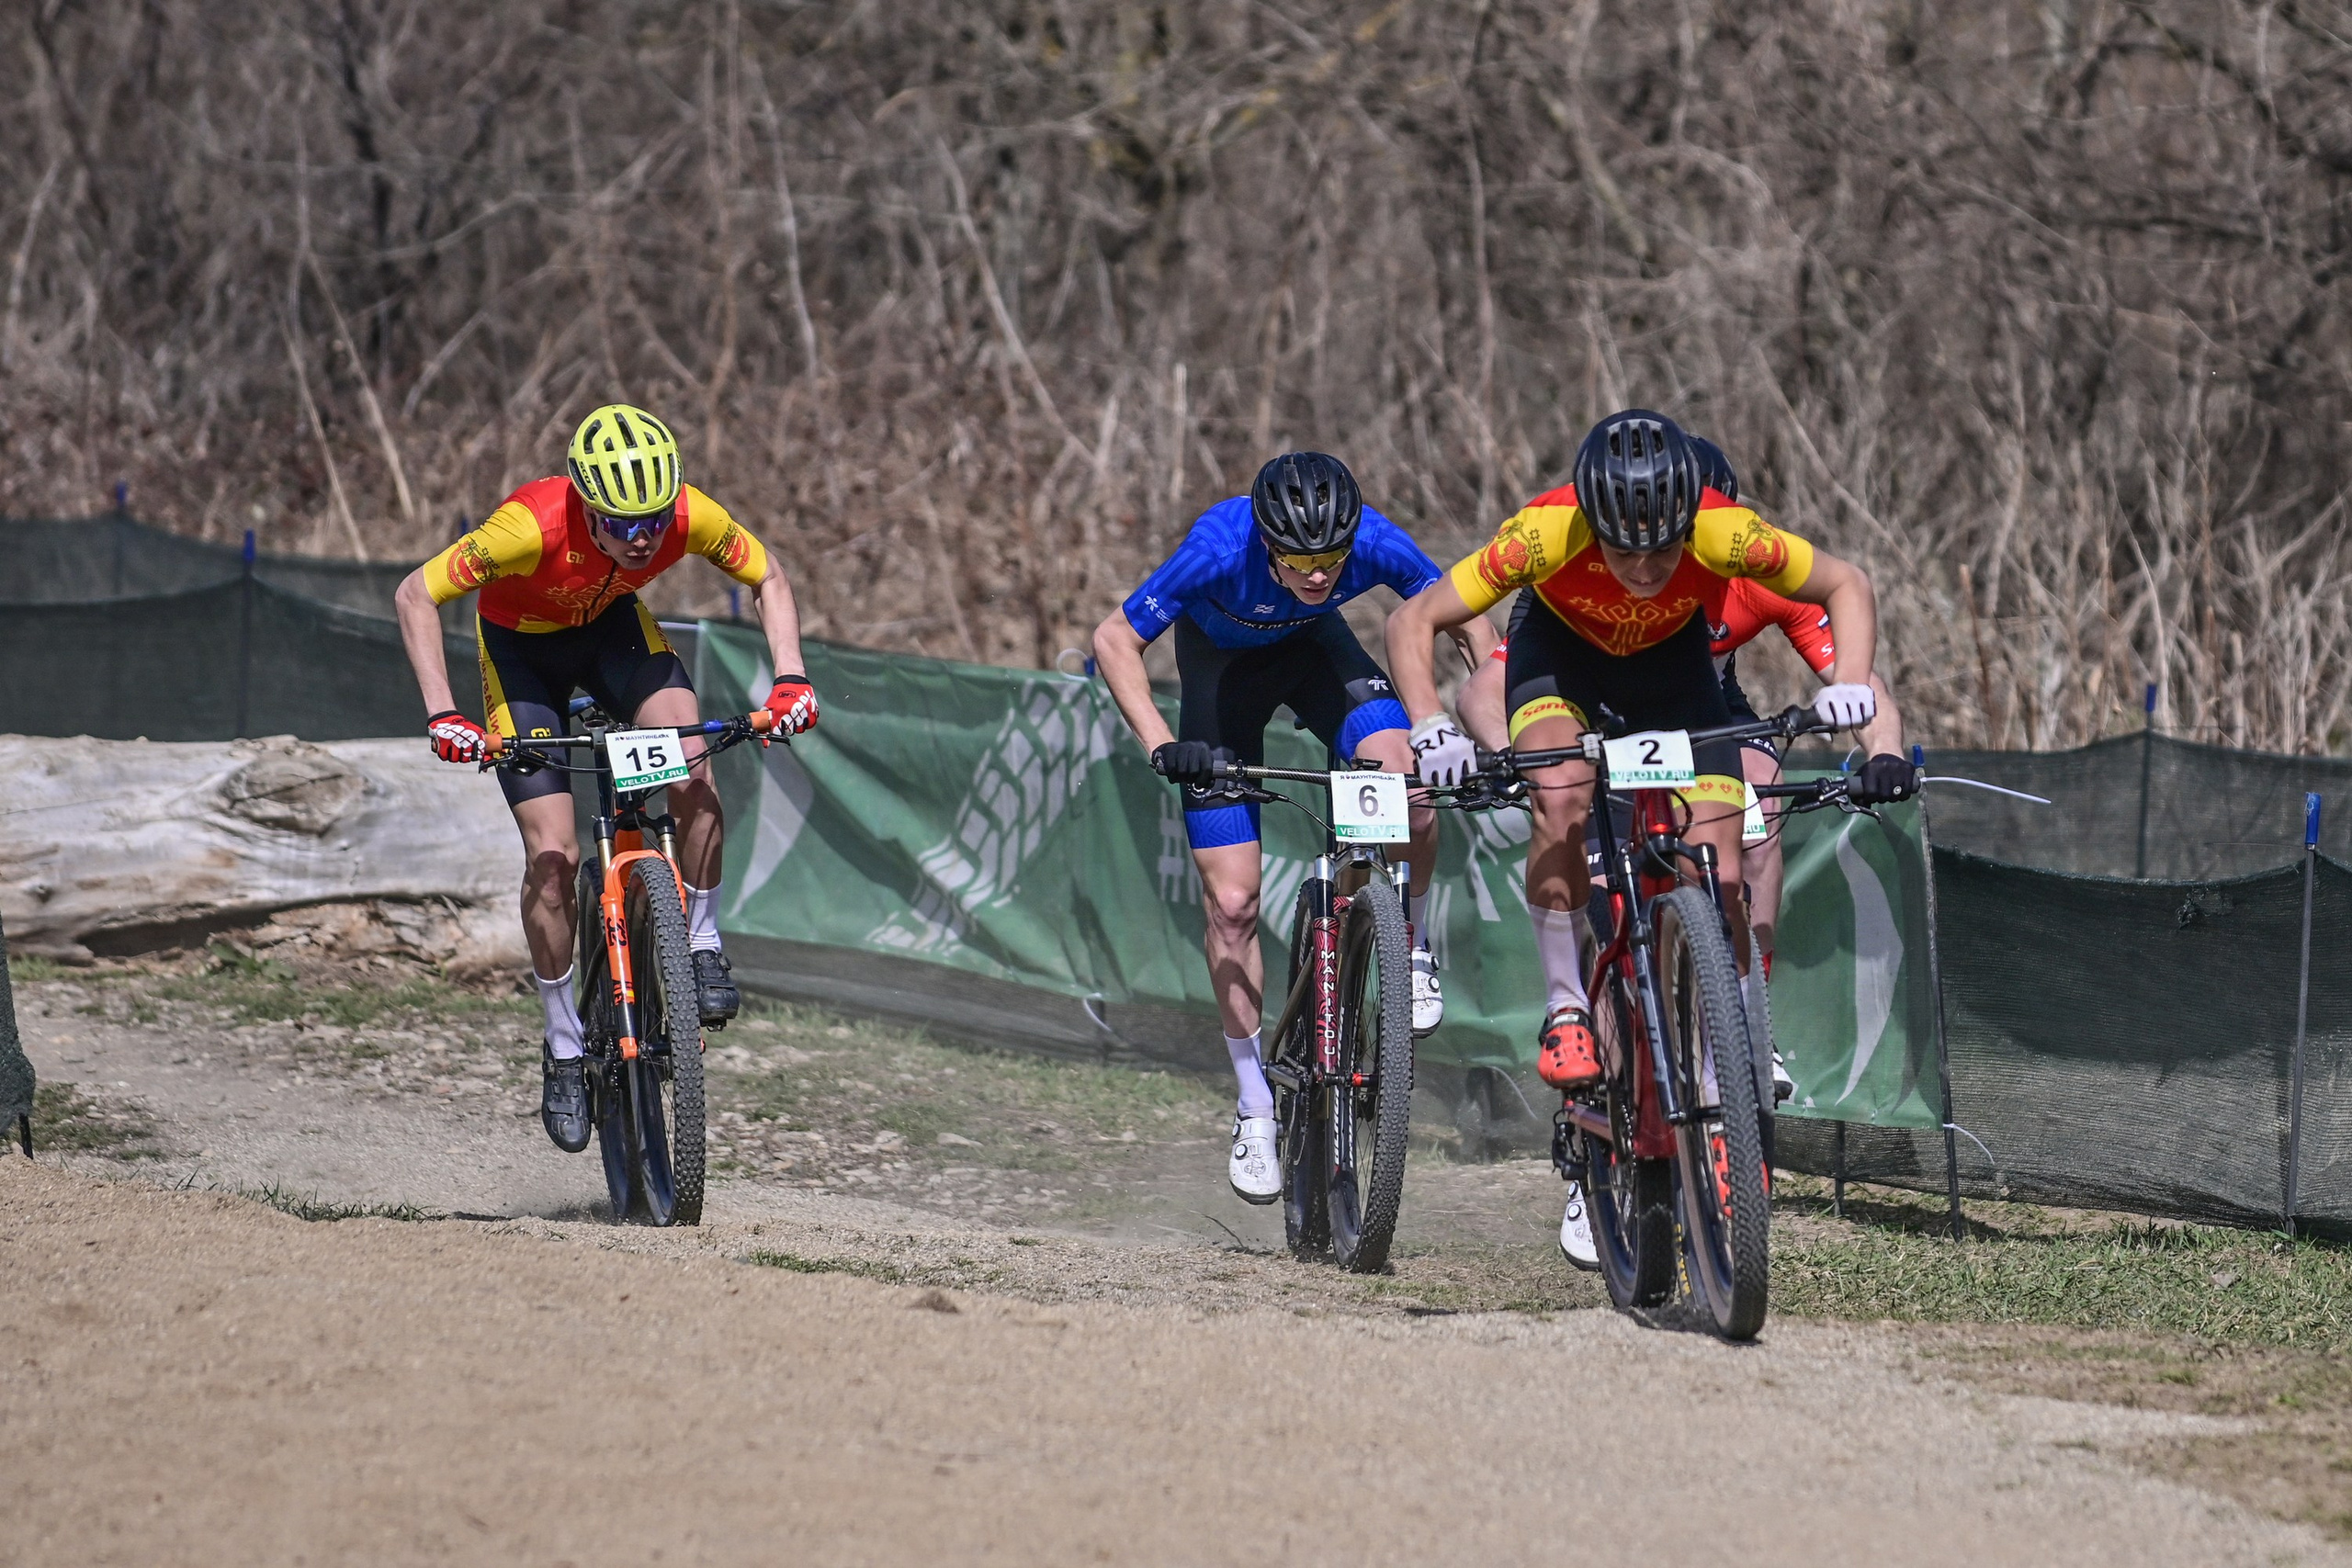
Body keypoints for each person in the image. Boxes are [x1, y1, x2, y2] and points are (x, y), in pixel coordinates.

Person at [1385, 409, 1883, 1262]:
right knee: (1563, 794)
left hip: (1671, 675)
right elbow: (1412, 622)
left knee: (1724, 856)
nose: (1648, 568)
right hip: (1561, 662)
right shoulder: (1545, 533)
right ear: (1594, 524)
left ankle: (1719, 1053)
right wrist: (1429, 724)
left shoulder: (1725, 531)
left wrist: (1856, 684)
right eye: (1625, 551)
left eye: (1665, 550)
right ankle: (1566, 1005)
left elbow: (1847, 583)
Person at [392, 404, 820, 1154]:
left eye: (654, 519)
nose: (646, 536)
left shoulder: (688, 516)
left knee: (693, 765)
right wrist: (443, 714)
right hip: (523, 658)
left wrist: (791, 678)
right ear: (586, 504)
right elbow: (414, 594)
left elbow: (769, 574)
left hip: (614, 635)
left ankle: (702, 941)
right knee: (552, 859)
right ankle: (562, 1044)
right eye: (623, 523)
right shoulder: (527, 527)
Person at [1092, 453, 1496, 1203]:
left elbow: (1463, 614)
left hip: (1315, 656)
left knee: (1407, 786)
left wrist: (1479, 714)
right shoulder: (1218, 548)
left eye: (1331, 560)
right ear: (1267, 542)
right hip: (1221, 679)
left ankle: (1407, 941)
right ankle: (1253, 1104)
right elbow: (1115, 639)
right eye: (1301, 559)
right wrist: (1159, 744)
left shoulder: (1371, 539)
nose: (1319, 574)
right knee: (1234, 902)